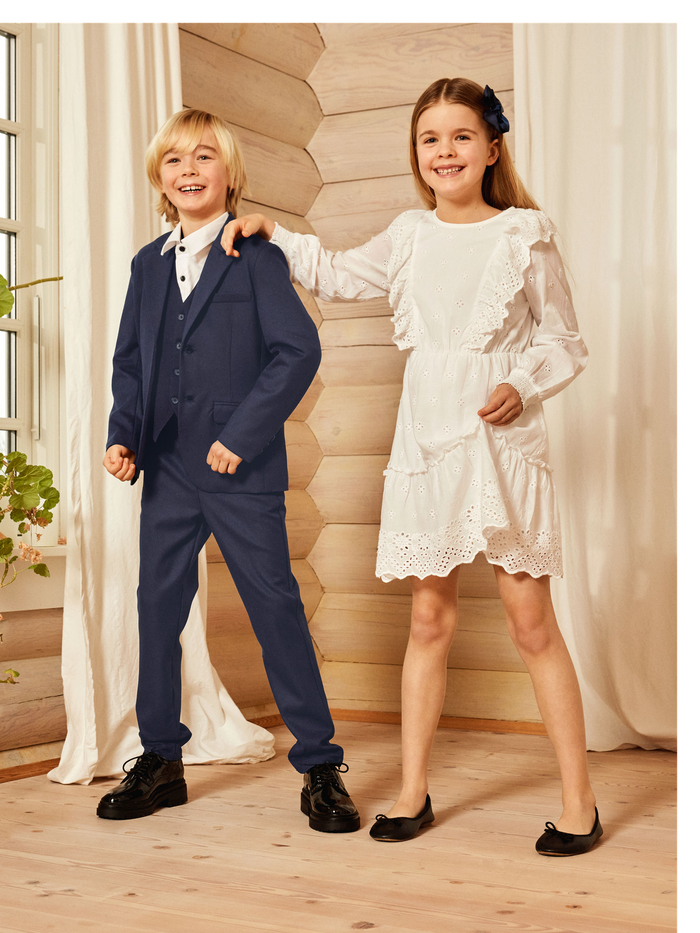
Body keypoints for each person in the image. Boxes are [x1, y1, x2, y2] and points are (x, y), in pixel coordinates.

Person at [220, 79, 602, 856]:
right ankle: (413, 791)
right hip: (427, 442)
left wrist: (522, 383)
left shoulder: (524, 233)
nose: (445, 151)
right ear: (417, 154)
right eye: (431, 139)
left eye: (461, 136)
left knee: (531, 621)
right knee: (429, 617)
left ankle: (580, 801)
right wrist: (271, 231)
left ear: (491, 148)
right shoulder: (409, 235)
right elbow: (334, 273)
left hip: (501, 444)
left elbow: (564, 338)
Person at [100, 108, 359, 833]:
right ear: (160, 177)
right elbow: (131, 364)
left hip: (240, 468)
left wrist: (240, 436)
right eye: (175, 159)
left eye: (204, 157)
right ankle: (161, 759)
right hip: (167, 467)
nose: (189, 169)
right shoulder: (147, 265)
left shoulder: (257, 256)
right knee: (157, 609)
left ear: (229, 173)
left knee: (274, 606)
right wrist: (124, 435)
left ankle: (319, 765)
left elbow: (297, 351)